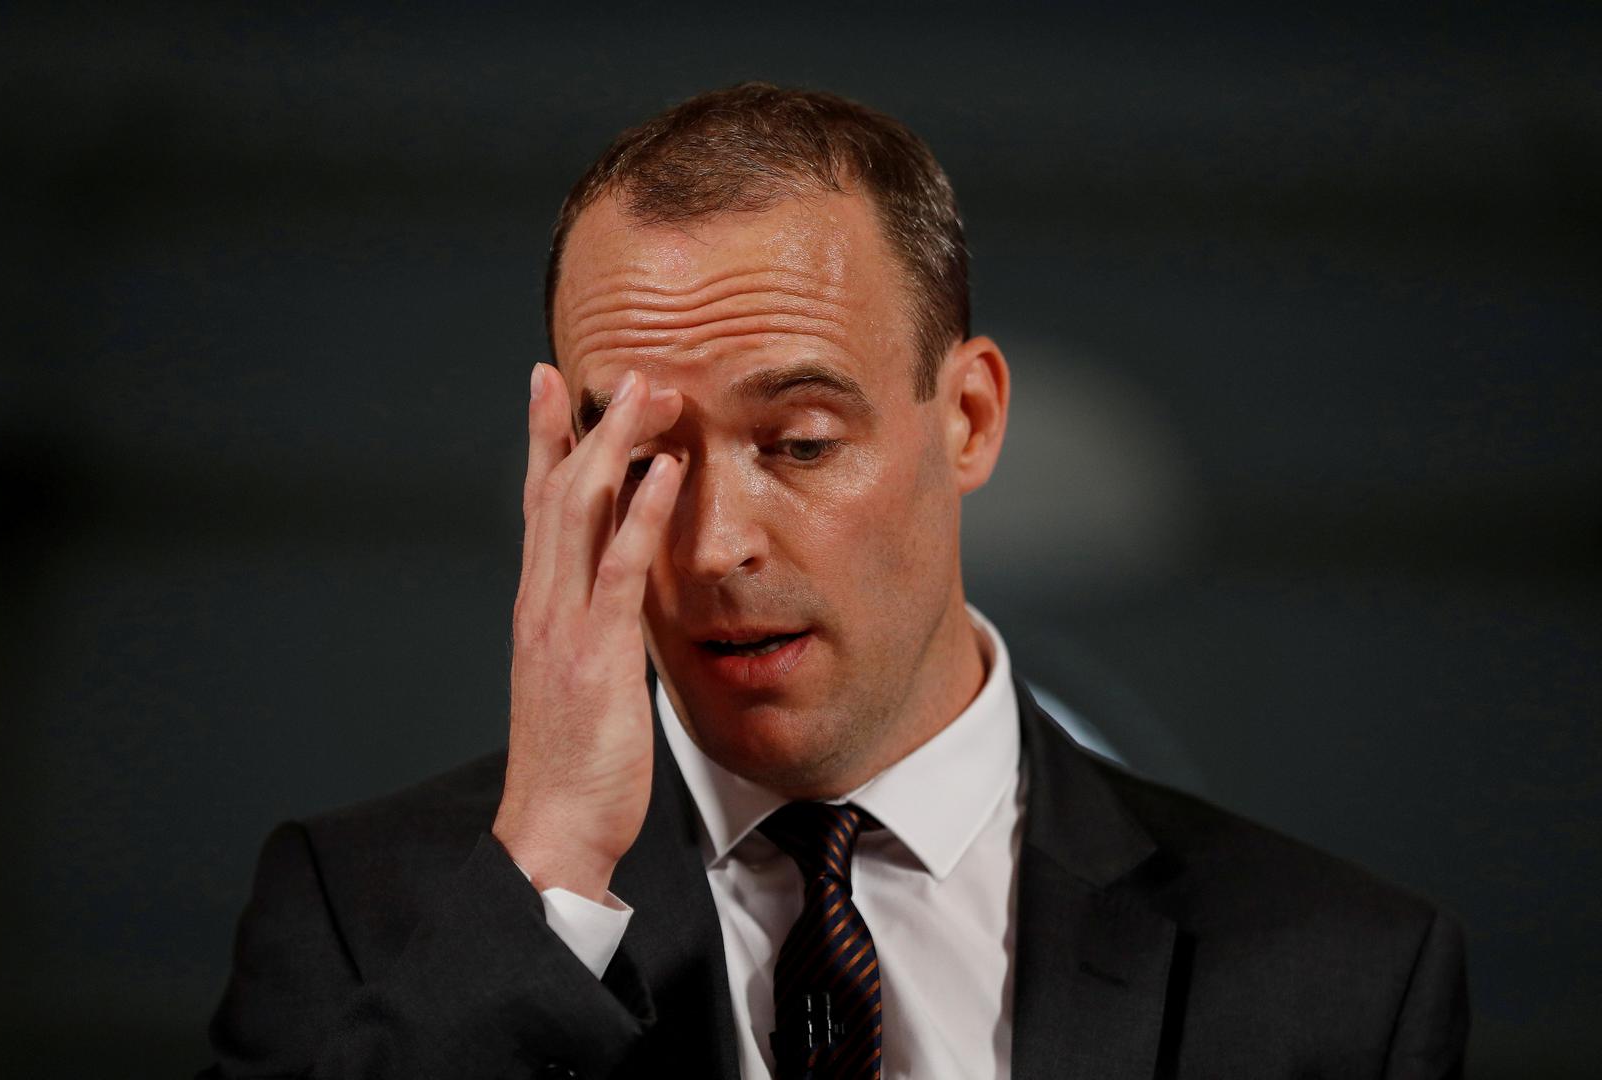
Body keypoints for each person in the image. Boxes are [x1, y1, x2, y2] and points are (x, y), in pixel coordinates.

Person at [203, 83, 1468, 1079]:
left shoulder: (1342, 981)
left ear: (968, 418)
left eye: (801, 443)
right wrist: (543, 885)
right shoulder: (357, 920)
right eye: (640, 457)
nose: (712, 547)